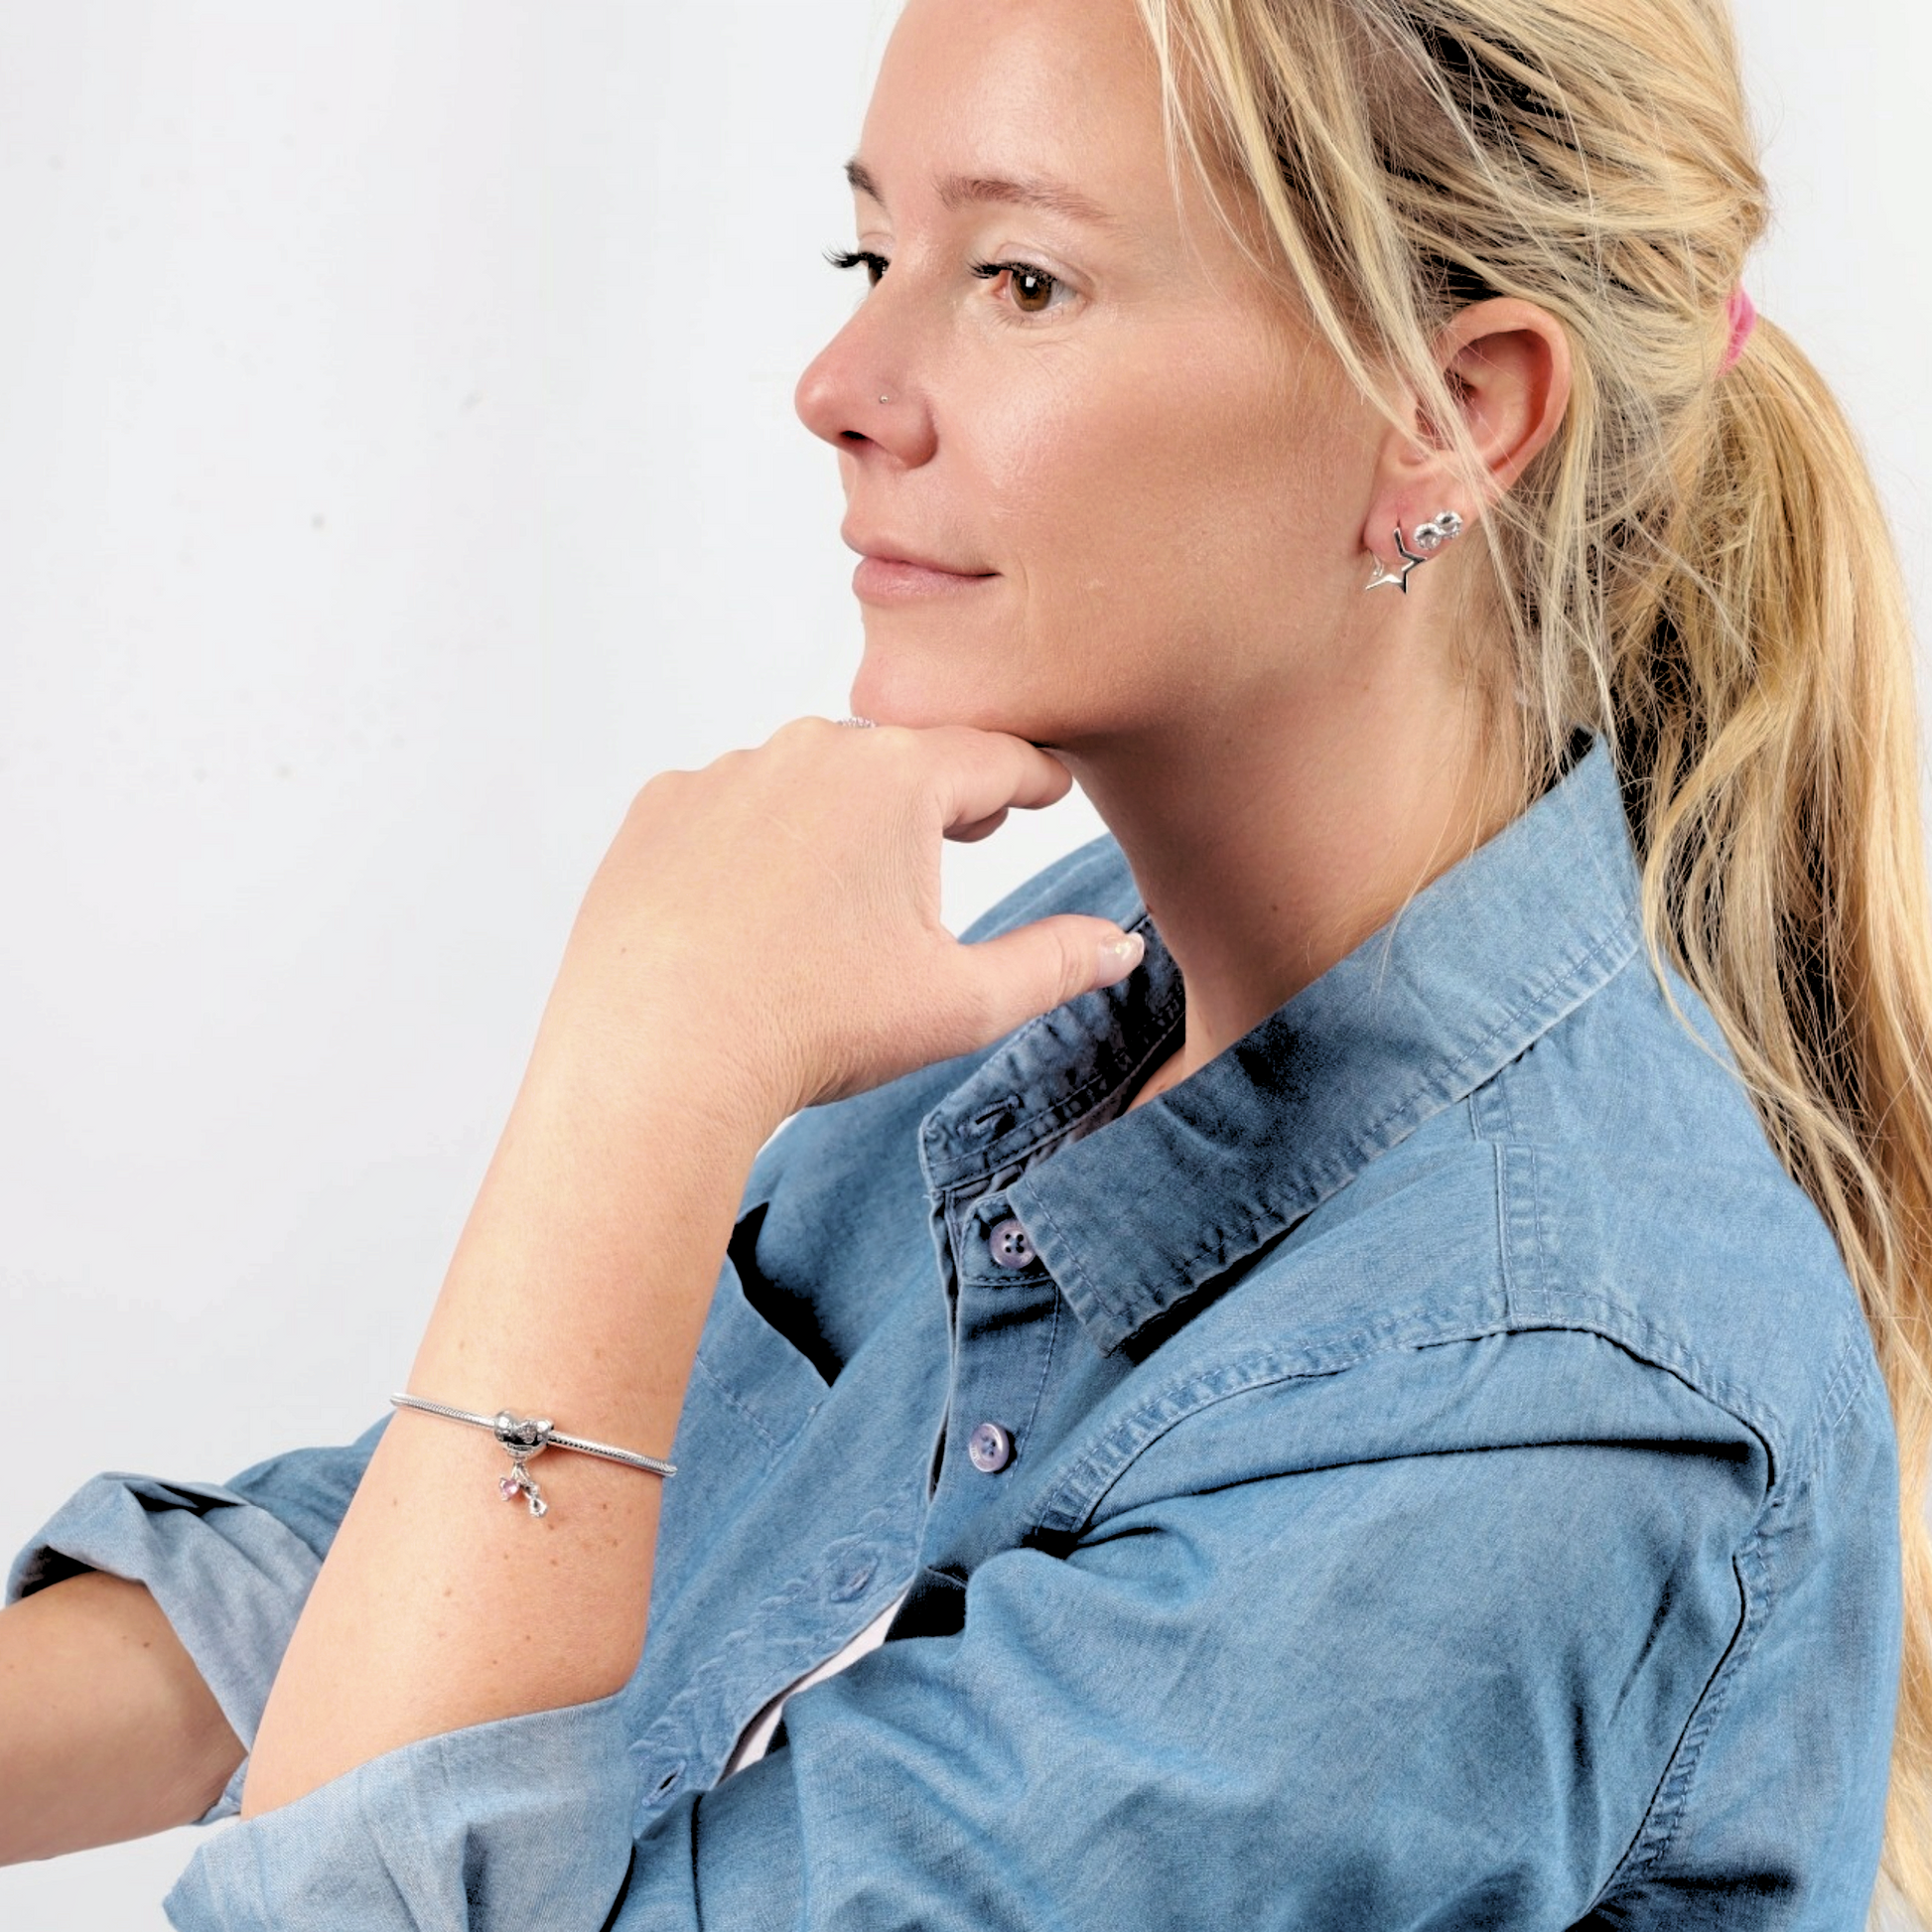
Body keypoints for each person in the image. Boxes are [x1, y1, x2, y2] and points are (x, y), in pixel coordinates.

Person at [3, 0, 1929, 1923]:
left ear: (1449, 413)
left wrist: (634, 1092)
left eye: (1020, 278)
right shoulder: (1076, 974)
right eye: (873, 252)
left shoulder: (1526, 1418)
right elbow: (421, 1580)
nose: (841, 379)